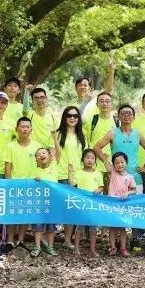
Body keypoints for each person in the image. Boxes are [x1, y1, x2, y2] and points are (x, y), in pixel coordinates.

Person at [94, 104, 145, 249]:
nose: (126, 115)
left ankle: (135, 239)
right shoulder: (113, 133)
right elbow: (96, 147)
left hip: (135, 178)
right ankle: (116, 242)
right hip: (116, 179)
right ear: (118, 116)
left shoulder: (138, 134)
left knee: (135, 209)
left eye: (129, 113)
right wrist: (106, 162)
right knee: (116, 210)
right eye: (123, 113)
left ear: (134, 116)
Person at [4, 117, 41, 250]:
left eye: (28, 126)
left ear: (31, 129)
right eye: (22, 126)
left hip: (31, 185)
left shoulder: (37, 146)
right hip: (15, 185)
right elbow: (8, 167)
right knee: (13, 213)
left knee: (25, 213)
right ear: (17, 129)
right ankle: (9, 241)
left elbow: (41, 164)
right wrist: (8, 184)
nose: (25, 129)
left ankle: (20, 240)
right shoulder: (10, 146)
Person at [55, 106, 86, 248]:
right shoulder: (58, 135)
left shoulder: (82, 136)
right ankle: (45, 237)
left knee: (72, 209)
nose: (72, 118)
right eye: (69, 115)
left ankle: (67, 240)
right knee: (58, 208)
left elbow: (84, 156)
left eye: (75, 116)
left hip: (77, 176)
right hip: (60, 175)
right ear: (64, 117)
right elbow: (53, 155)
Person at [71, 149, 104, 257]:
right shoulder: (78, 172)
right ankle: (76, 249)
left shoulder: (98, 173)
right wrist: (70, 172)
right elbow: (72, 184)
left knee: (93, 228)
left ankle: (93, 249)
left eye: (92, 158)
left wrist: (98, 190)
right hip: (81, 204)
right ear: (82, 159)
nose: (90, 160)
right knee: (79, 228)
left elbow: (101, 187)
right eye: (87, 157)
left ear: (95, 160)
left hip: (93, 204)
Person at [31, 143, 60, 258]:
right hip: (39, 202)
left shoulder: (54, 166)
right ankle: (37, 246)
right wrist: (35, 181)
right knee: (38, 224)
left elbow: (58, 152)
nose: (41, 155)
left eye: (44, 153)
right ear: (36, 159)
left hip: (52, 202)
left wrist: (54, 138)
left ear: (50, 156)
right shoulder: (34, 171)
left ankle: (50, 246)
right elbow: (30, 186)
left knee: (51, 226)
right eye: (38, 155)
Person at [0, 44, 24, 125]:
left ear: (19, 90)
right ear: (4, 89)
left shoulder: (22, 108)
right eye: (9, 85)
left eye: (15, 86)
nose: (12, 88)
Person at [107, 152, 137, 257]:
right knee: (112, 228)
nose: (120, 164)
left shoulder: (130, 177)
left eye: (122, 162)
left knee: (122, 228)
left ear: (126, 162)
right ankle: (113, 247)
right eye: (116, 163)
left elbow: (134, 190)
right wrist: (105, 158)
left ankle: (123, 248)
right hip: (112, 205)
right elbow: (107, 165)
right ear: (113, 165)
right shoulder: (113, 173)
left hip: (123, 205)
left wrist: (127, 193)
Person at [84, 91, 117, 178]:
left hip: (112, 165)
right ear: (97, 104)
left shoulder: (117, 121)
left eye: (107, 101)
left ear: (111, 104)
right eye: (101, 101)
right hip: (93, 165)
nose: (104, 104)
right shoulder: (91, 120)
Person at [74, 53, 116, 119]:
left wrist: (111, 70)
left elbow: (109, 89)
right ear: (76, 88)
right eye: (80, 85)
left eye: (85, 85)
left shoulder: (95, 101)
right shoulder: (72, 106)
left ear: (89, 89)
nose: (82, 87)